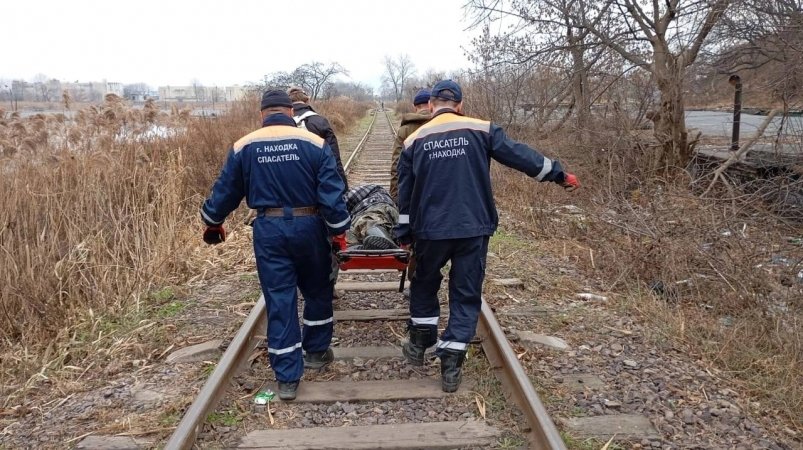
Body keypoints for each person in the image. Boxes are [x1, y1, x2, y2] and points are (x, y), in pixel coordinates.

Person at [394, 80, 580, 393]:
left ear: (430, 106)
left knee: (424, 282)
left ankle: (422, 337)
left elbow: (405, 193)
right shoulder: (482, 129)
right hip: (472, 227)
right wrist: (558, 174)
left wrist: (403, 232)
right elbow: (520, 155)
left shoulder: (414, 139)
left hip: (430, 229)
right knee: (466, 291)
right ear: (460, 105)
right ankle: (451, 364)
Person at [200, 89, 350, 401]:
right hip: (310, 226)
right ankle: (318, 352)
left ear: (262, 114)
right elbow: (331, 192)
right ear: (291, 112)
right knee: (318, 289)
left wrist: (213, 220)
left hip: (268, 229)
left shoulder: (245, 146)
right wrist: (339, 232)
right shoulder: (314, 143)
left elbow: (226, 190)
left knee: (280, 298)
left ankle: (287, 378)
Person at [287, 86, 348, 190]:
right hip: (318, 183)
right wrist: (344, 188)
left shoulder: (280, 125)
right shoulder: (320, 121)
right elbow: (334, 159)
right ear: (307, 100)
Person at [389, 89, 431, 202]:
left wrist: (395, 196)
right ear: (431, 104)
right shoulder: (441, 124)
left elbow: (396, 165)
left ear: (414, 106)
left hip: (412, 192)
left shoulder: (405, 129)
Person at [344, 184, 399, 250]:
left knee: (367, 221)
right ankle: (355, 249)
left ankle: (383, 239)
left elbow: (338, 208)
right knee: (350, 234)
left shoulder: (350, 194)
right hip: (390, 217)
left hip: (376, 207)